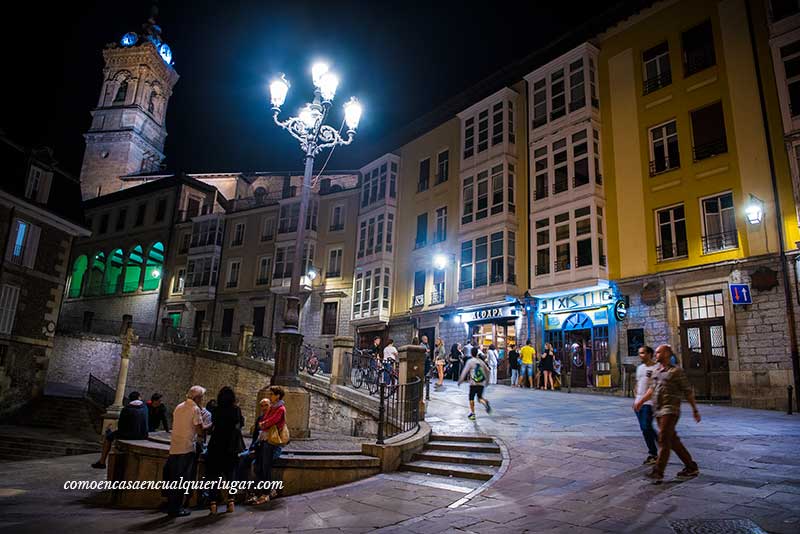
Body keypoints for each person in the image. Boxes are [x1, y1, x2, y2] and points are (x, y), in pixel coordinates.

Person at [635, 344, 701, 484]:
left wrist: (694, 409)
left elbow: (688, 391)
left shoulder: (676, 371)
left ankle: (658, 472)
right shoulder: (657, 371)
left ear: (667, 354)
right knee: (673, 441)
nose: (656, 354)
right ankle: (691, 466)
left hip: (670, 410)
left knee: (663, 439)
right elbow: (652, 390)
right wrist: (641, 401)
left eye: (659, 352)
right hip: (658, 410)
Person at [165, 385, 205, 517]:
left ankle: (170, 505)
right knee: (182, 479)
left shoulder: (179, 406)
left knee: (173, 479)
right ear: (198, 397)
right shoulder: (195, 409)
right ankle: (176, 508)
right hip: (187, 447)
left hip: (174, 447)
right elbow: (199, 430)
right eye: (202, 397)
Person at [205, 386, 245, 514]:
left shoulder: (216, 410)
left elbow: (213, 425)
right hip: (230, 446)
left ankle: (213, 504)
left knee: (213, 477)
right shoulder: (236, 410)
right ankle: (231, 502)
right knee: (231, 476)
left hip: (216, 445)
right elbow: (240, 424)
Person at [92, 391, 148, 469]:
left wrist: (110, 431)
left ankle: (102, 461)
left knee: (108, 437)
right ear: (139, 397)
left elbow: (121, 425)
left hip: (129, 435)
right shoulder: (145, 407)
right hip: (143, 434)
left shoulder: (127, 408)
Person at [253, 386, 287, 505]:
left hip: (271, 441)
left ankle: (266, 493)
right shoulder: (272, 407)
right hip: (265, 439)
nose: (270, 396)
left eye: (272, 394)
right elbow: (265, 419)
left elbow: (273, 420)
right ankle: (269, 490)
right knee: (261, 466)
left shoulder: (280, 409)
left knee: (266, 466)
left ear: (278, 396)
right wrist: (263, 423)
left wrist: (264, 424)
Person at [633, 346, 659, 465]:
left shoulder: (656, 368)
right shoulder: (640, 368)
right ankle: (662, 444)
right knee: (646, 428)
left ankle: (653, 453)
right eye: (639, 353)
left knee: (646, 427)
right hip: (639, 402)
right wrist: (636, 398)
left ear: (650, 354)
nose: (640, 355)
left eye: (643, 353)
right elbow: (638, 383)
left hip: (649, 403)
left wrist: (642, 400)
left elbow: (652, 388)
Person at [458, 349, 492, 420]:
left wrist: (460, 381)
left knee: (471, 398)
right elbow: (488, 371)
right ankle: (485, 402)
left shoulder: (470, 361)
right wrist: (487, 381)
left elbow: (465, 371)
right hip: (481, 383)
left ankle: (473, 414)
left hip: (473, 383)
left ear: (471, 353)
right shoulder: (481, 362)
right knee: (479, 398)